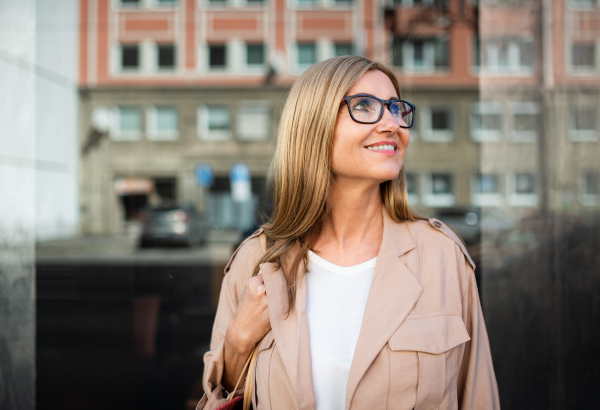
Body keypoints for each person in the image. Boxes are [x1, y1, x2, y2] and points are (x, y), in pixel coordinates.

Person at [198, 56, 500, 410]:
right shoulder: (256, 261)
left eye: (396, 109)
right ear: (314, 125)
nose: (392, 124)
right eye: (364, 106)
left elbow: (479, 396)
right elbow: (219, 400)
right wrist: (238, 341)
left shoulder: (441, 255)